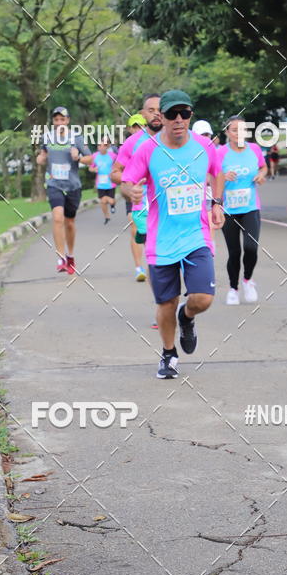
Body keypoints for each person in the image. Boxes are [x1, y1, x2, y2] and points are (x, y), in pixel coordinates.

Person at [121, 90, 225, 378]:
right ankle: (168, 354)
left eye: (185, 113)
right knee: (165, 303)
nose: (179, 119)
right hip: (161, 241)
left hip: (196, 236)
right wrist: (130, 191)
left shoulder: (204, 146)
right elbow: (127, 180)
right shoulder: (148, 150)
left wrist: (216, 203)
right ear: (162, 117)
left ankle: (186, 316)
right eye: (172, 114)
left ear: (190, 115)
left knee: (203, 299)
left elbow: (217, 172)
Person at [111, 94, 162, 281]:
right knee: (153, 249)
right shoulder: (133, 142)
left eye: (160, 110)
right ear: (143, 114)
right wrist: (130, 184)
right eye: (151, 110)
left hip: (172, 202)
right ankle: (142, 269)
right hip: (143, 202)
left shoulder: (177, 138)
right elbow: (115, 172)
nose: (156, 114)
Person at [36, 106, 92, 275]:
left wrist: (78, 157)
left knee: (69, 223)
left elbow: (91, 159)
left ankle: (70, 255)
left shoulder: (76, 138)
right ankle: (60, 258)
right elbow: (41, 155)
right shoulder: (46, 138)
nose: (59, 122)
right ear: (53, 122)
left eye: (62, 119)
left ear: (67, 121)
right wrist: (41, 158)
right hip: (54, 183)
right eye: (56, 120)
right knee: (58, 218)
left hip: (73, 185)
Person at [218, 116, 267, 305]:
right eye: (234, 130)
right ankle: (233, 288)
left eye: (242, 130)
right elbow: (209, 177)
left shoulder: (254, 149)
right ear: (227, 133)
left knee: (251, 248)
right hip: (229, 210)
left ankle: (247, 280)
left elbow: (263, 167)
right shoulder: (220, 153)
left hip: (250, 208)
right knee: (234, 252)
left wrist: (261, 175)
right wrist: (223, 176)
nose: (239, 133)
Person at [90, 138, 117, 224]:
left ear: (107, 146)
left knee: (111, 201)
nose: (101, 147)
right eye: (99, 145)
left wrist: (114, 171)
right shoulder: (94, 156)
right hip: (100, 183)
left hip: (110, 183)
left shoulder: (113, 156)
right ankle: (107, 216)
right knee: (103, 201)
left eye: (103, 146)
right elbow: (90, 168)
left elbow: (118, 166)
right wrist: (93, 169)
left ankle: (112, 205)